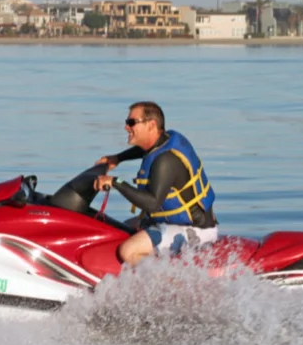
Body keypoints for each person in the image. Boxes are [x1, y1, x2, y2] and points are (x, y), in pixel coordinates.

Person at [92, 101, 218, 267]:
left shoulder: (166, 161)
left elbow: (152, 203)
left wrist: (116, 182)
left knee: (128, 250)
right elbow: (143, 149)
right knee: (122, 228)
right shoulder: (164, 139)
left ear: (151, 125)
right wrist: (118, 158)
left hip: (196, 231)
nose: (126, 128)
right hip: (174, 223)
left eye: (131, 123)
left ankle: (166, 283)